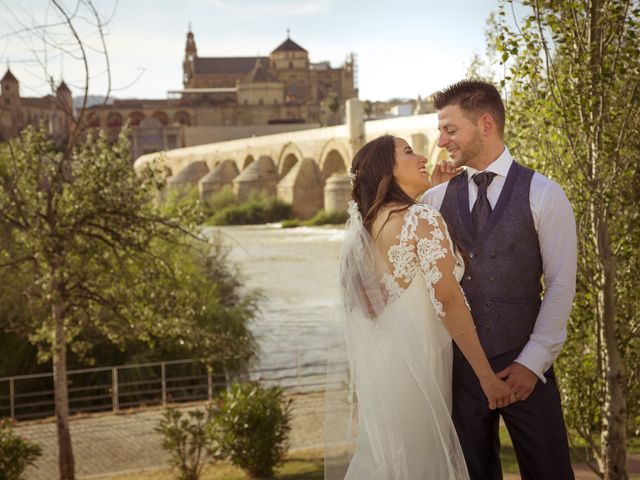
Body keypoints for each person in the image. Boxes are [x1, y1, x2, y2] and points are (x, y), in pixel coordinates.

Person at [332, 134, 514, 480]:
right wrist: (487, 377)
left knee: (393, 463)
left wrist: (436, 191)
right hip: (419, 369)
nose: (422, 156)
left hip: (387, 367)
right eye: (408, 151)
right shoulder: (420, 218)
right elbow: (448, 300)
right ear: (389, 169)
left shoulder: (370, 224)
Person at [422, 79, 577, 479]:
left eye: (450, 129)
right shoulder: (434, 201)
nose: (441, 141)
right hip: (462, 374)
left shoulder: (544, 193)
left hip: (527, 366)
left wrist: (532, 363)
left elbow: (561, 285)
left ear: (485, 124)